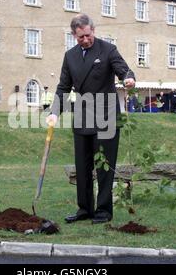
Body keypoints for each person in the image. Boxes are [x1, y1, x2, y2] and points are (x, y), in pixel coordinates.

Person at [47, 14, 135, 224]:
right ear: (74, 36)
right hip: (82, 115)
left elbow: (123, 68)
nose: (85, 40)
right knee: (83, 166)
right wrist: (54, 112)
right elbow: (63, 86)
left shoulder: (108, 50)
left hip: (106, 116)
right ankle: (84, 209)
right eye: (80, 38)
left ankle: (103, 211)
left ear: (93, 30)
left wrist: (128, 78)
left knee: (104, 166)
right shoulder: (70, 56)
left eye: (88, 35)